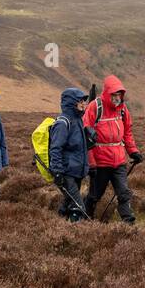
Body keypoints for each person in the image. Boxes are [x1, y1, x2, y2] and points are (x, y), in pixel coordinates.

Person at [82, 75, 143, 223]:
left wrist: (133, 151)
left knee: (124, 193)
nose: (117, 98)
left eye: (119, 95)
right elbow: (86, 135)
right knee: (95, 195)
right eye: (114, 94)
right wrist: (91, 163)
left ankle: (128, 223)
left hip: (119, 161)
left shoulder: (122, 109)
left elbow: (127, 131)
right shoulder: (95, 107)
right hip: (100, 163)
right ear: (107, 93)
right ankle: (84, 218)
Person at [48, 87, 91, 221]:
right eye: (80, 101)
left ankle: (58, 224)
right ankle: (76, 236)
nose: (84, 104)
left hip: (76, 171)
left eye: (84, 101)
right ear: (72, 103)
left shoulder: (78, 120)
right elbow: (55, 149)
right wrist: (57, 172)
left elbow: (79, 148)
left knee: (69, 202)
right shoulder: (62, 123)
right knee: (78, 207)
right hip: (66, 172)